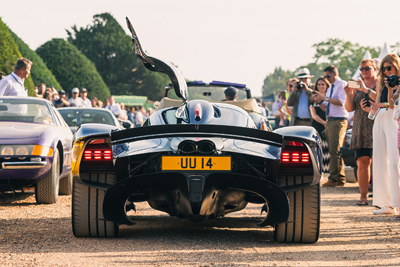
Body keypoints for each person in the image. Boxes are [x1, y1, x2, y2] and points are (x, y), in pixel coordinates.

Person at [361, 54, 400, 217]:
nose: (386, 71)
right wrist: (369, 111)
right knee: (380, 162)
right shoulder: (380, 84)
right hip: (379, 119)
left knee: (394, 162)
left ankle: (396, 203)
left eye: (389, 67)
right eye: (384, 68)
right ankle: (386, 204)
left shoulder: (397, 83)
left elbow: (392, 104)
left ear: (396, 67)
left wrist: (390, 88)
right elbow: (377, 104)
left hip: (392, 117)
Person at [344, 59, 378, 205]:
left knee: (379, 163)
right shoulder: (356, 85)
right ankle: (363, 197)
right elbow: (350, 108)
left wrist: (365, 89)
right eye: (361, 69)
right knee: (362, 163)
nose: (363, 71)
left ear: (375, 69)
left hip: (378, 125)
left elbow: (382, 99)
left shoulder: (381, 84)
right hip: (361, 127)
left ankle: (380, 196)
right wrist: (349, 95)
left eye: (367, 68)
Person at [314, 65, 348, 187]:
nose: (327, 78)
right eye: (325, 76)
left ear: (335, 73)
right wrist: (319, 101)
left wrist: (325, 98)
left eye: (328, 76)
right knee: (334, 150)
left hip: (338, 120)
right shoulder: (330, 88)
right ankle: (340, 178)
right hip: (331, 119)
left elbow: (341, 102)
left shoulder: (341, 84)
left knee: (335, 149)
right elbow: (326, 106)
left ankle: (334, 178)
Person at [310, 77, 330, 173]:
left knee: (328, 148)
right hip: (318, 125)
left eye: (323, 84)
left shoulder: (329, 96)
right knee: (318, 148)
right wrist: (325, 123)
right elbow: (314, 115)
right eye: (319, 84)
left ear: (326, 85)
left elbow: (326, 110)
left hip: (330, 123)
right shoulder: (313, 97)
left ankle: (328, 170)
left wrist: (321, 101)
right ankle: (319, 170)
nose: (321, 86)